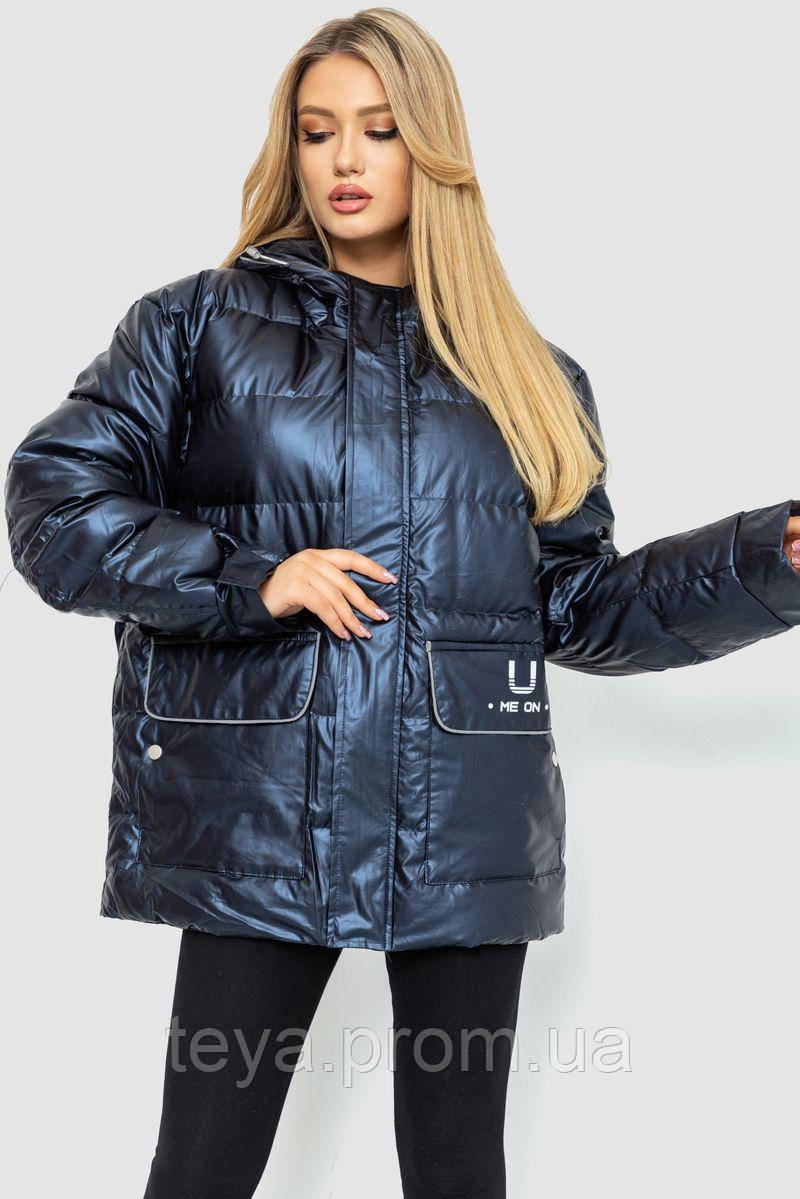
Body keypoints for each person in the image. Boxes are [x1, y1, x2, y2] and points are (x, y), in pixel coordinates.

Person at [4, 9, 799, 1199]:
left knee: (459, 1174)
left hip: (460, 820)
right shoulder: (196, 326)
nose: (344, 159)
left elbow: (570, 603)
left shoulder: (526, 373)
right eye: (317, 129)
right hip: (262, 814)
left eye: (379, 130)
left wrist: (765, 559)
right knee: (202, 1169)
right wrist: (251, 575)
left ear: (433, 149)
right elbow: (54, 505)